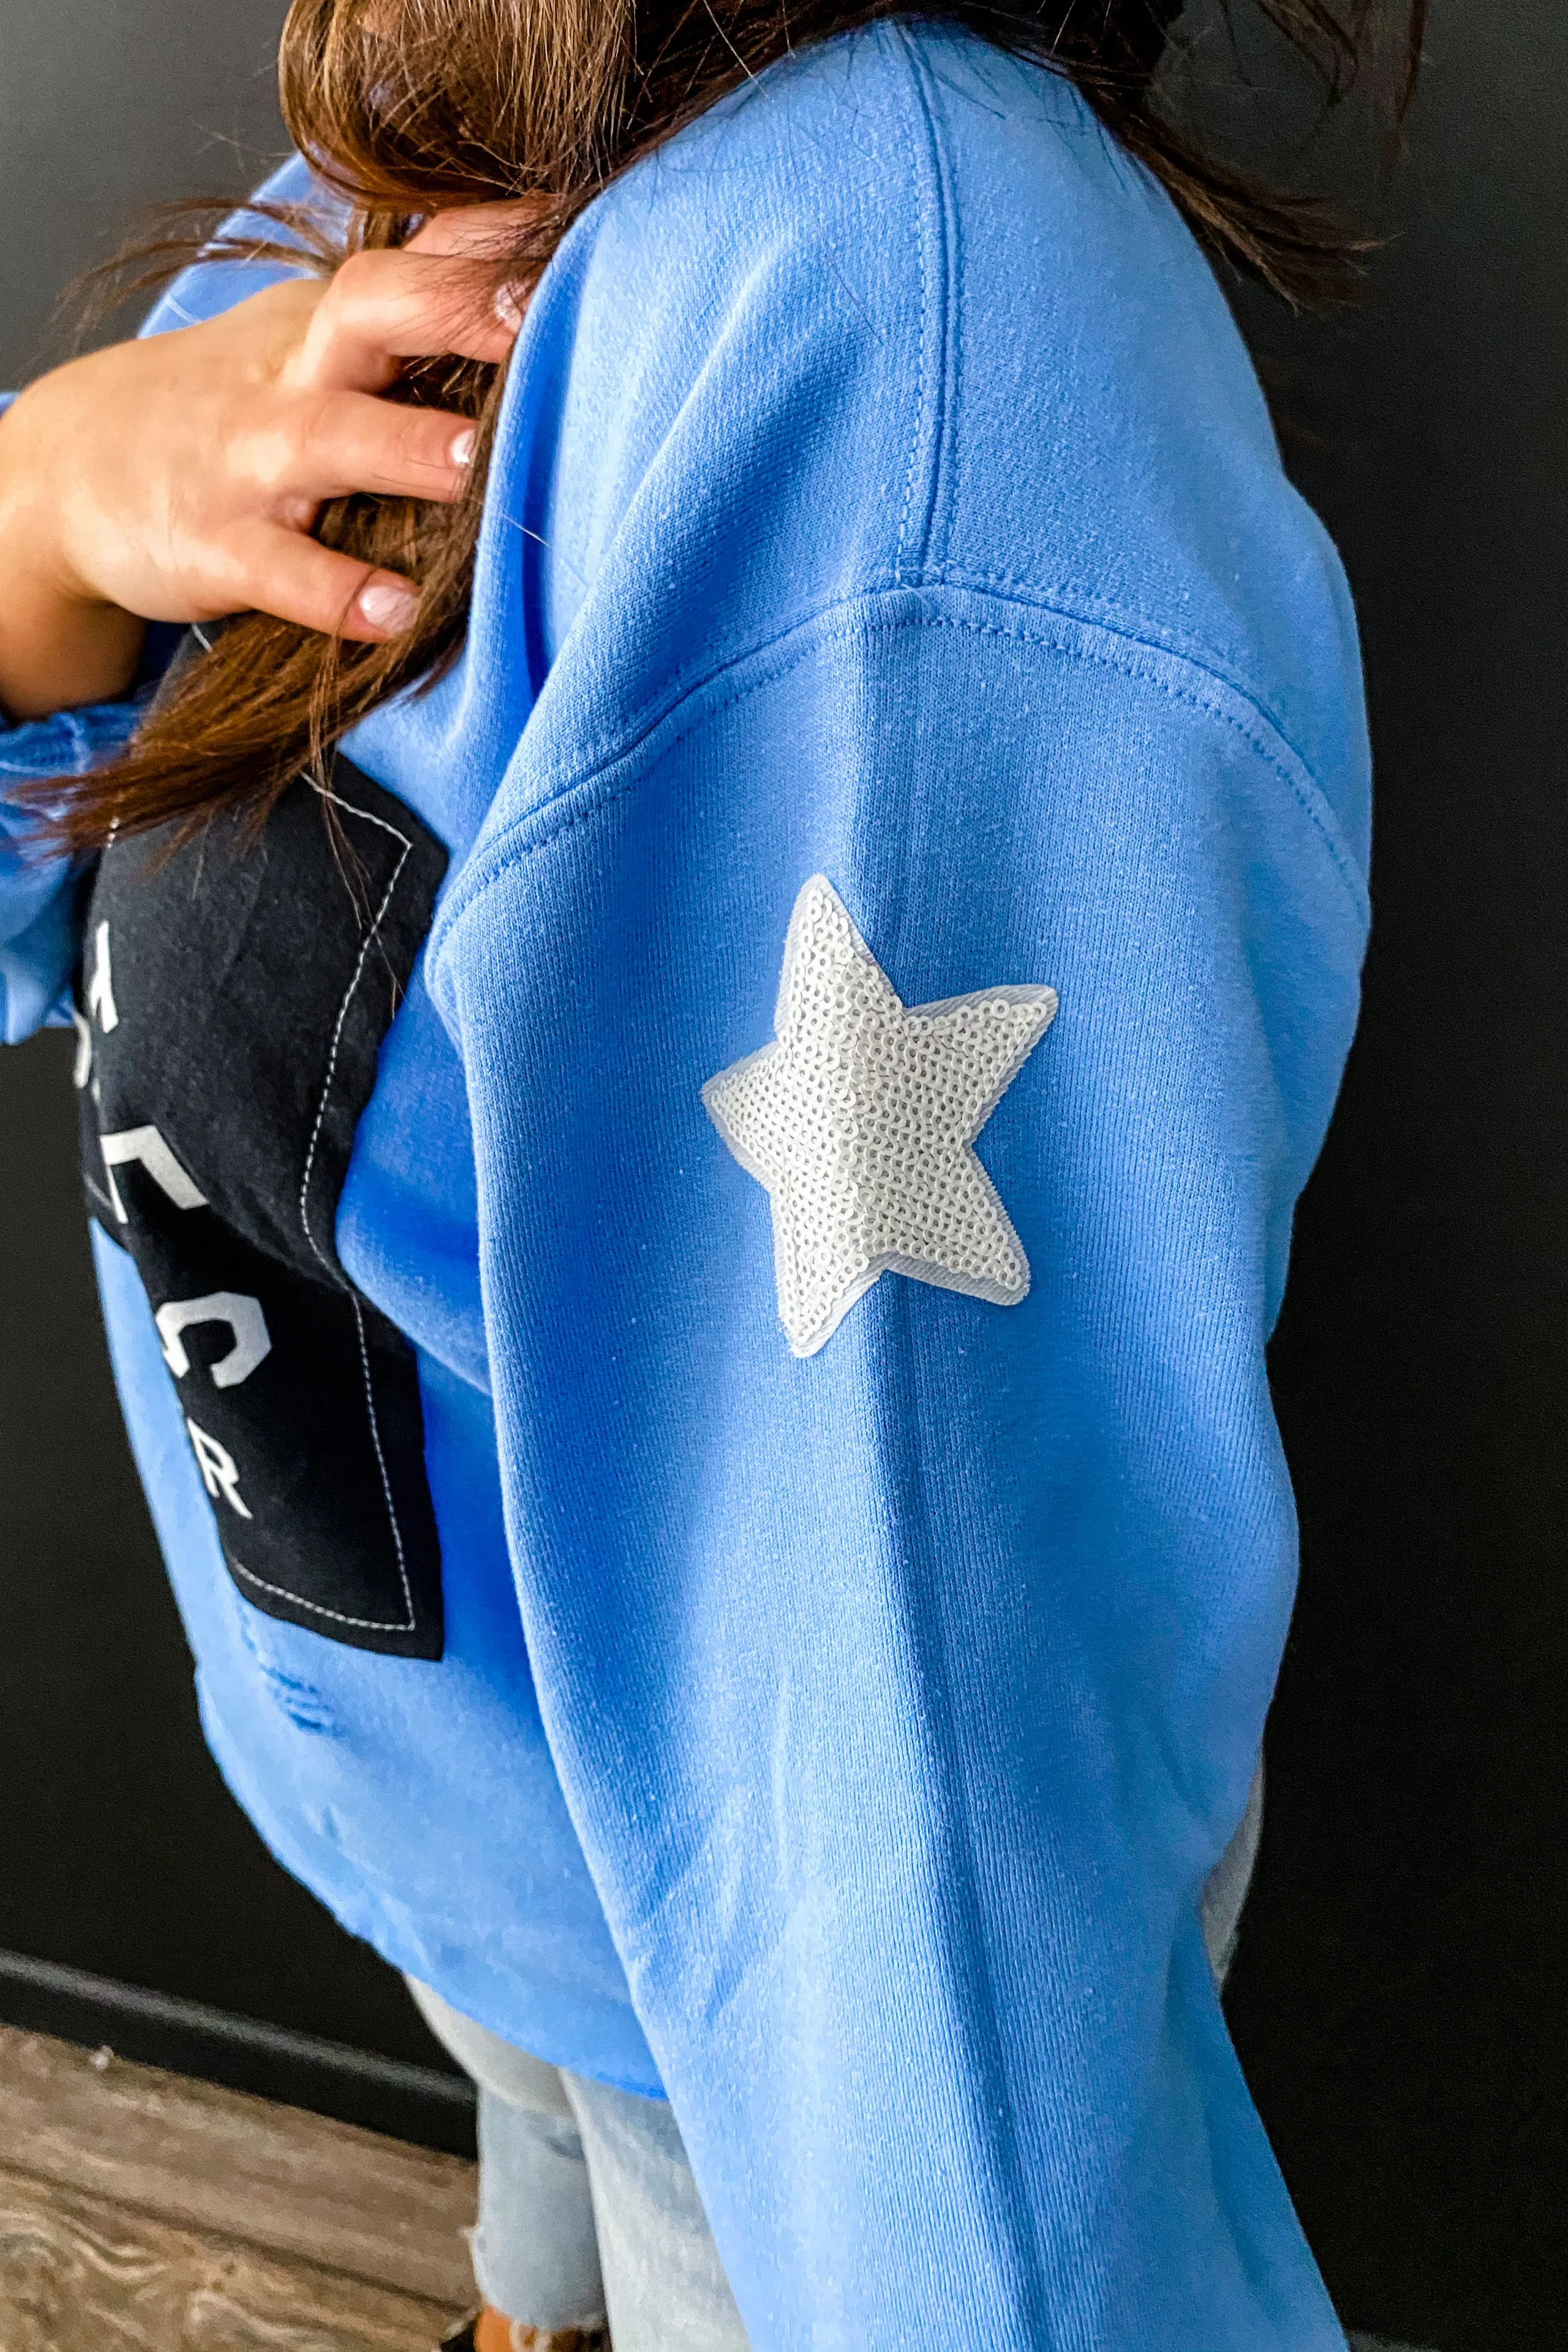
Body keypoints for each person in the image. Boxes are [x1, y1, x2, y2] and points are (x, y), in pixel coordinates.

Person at [0, 1, 1422, 2345]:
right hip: (466, 1826)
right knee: (538, 2110)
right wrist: (54, 494)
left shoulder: (888, 355)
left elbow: (906, 1764)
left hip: (736, 2017)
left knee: (653, 2173)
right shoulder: (431, 151)